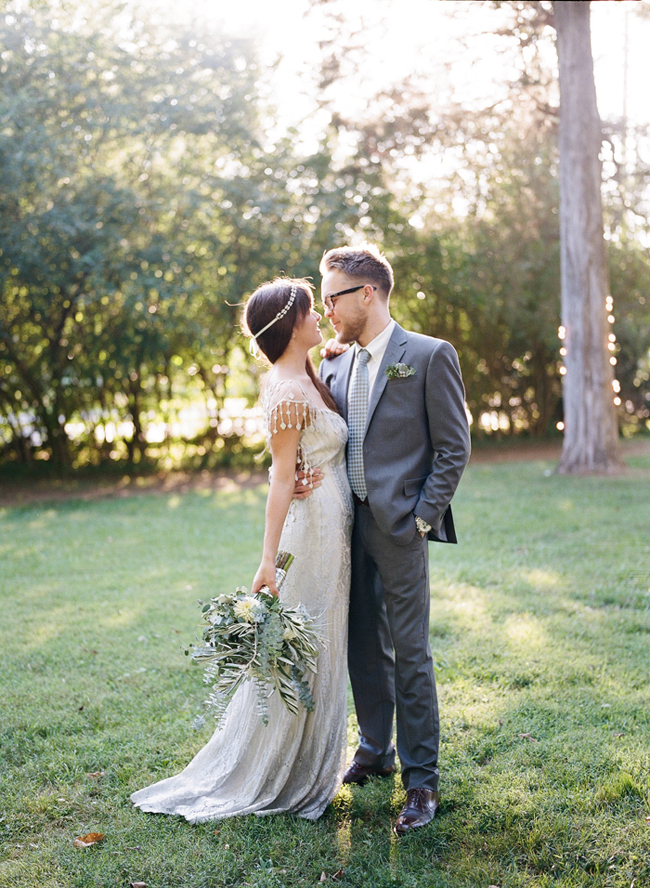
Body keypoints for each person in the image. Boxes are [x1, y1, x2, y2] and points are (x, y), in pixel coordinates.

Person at [130, 278, 353, 822]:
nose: (320, 316)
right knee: (306, 649)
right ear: (288, 322)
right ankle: (283, 770)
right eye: (310, 310)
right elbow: (281, 480)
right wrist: (267, 561)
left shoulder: (306, 372)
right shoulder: (285, 389)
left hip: (335, 519)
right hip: (314, 529)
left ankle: (312, 761)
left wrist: (331, 353)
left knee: (324, 644)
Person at [309, 244, 471, 836]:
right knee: (361, 645)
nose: (326, 308)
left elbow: (454, 447)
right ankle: (375, 750)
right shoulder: (332, 363)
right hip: (344, 528)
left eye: (333, 297)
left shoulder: (428, 356)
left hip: (401, 528)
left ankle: (421, 780)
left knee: (411, 652)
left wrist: (422, 519)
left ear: (367, 294)